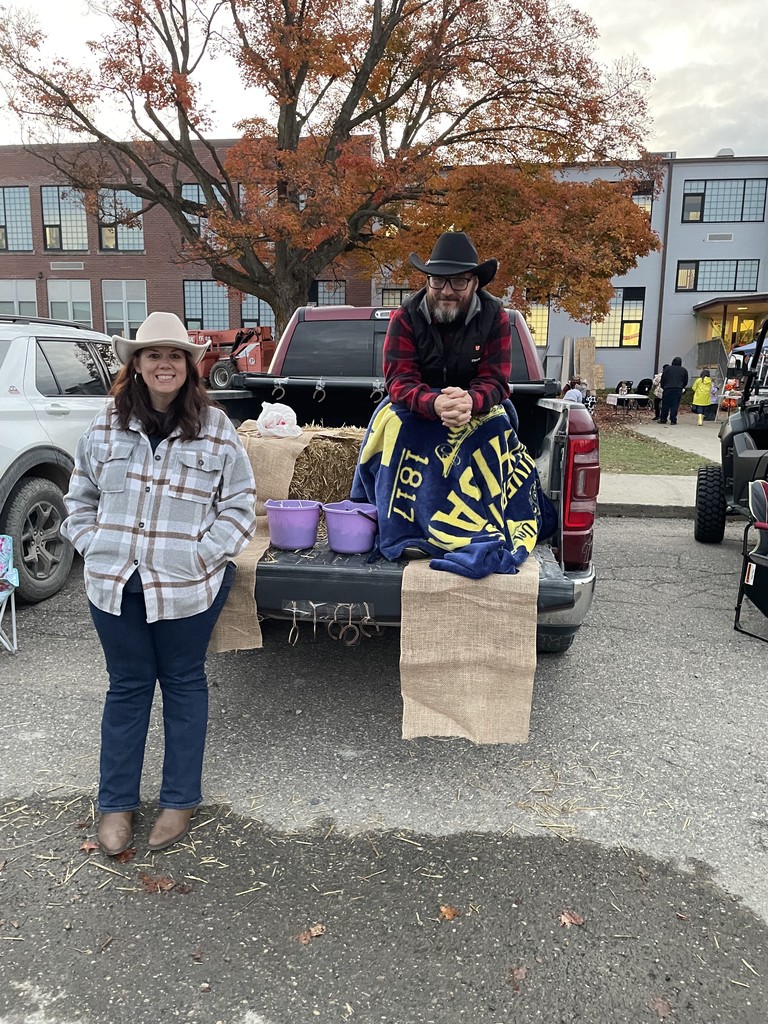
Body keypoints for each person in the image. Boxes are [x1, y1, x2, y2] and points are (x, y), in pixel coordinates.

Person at [61, 312, 257, 856]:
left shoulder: (216, 427)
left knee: (183, 682)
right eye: (153, 355)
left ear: (190, 365)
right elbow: (79, 498)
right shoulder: (106, 425)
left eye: (175, 355)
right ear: (137, 364)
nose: (164, 364)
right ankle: (115, 804)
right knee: (127, 687)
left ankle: (179, 799)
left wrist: (201, 556)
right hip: (114, 583)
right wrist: (93, 545)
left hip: (187, 586)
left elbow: (240, 505)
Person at [384, 231, 511, 426]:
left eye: (459, 281)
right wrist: (434, 403)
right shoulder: (406, 316)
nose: (446, 291)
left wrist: (470, 401)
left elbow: (495, 380)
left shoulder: (494, 317)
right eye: (438, 280)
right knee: (386, 424)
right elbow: (399, 381)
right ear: (428, 281)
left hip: (474, 406)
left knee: (503, 421)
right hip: (417, 408)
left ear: (475, 283)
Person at [658, 356, 689, 425]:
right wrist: (682, 387)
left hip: (667, 388)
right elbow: (685, 381)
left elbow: (663, 379)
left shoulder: (667, 369)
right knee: (675, 405)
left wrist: (663, 386)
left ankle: (663, 419)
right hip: (678, 389)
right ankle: (673, 420)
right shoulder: (684, 370)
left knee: (665, 404)